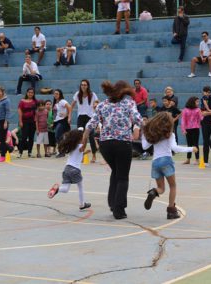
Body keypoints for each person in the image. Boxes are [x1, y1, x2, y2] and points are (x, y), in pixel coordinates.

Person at [82, 80, 143, 219]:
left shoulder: (102, 105)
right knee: (122, 177)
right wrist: (151, 129)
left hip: (105, 145)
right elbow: (138, 119)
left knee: (115, 172)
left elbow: (91, 124)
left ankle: (112, 203)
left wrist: (84, 140)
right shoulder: (129, 103)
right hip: (123, 143)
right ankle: (119, 210)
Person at [142, 112, 197, 219]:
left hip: (155, 162)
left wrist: (144, 131)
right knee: (173, 186)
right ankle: (171, 210)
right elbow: (175, 148)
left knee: (161, 188)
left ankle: (154, 192)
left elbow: (144, 147)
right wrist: (191, 149)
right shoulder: (170, 135)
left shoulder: (153, 135)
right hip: (166, 161)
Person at [48, 129, 92, 210]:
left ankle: (56, 190)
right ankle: (82, 204)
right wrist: (86, 134)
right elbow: (85, 141)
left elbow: (77, 156)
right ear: (79, 139)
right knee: (80, 187)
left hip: (67, 169)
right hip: (75, 170)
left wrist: (85, 153)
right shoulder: (80, 146)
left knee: (65, 189)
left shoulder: (72, 147)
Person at [71, 80, 99, 162]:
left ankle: (94, 156)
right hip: (80, 117)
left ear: (88, 86)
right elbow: (72, 105)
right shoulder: (77, 94)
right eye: (82, 85)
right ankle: (81, 155)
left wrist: (95, 105)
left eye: (85, 85)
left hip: (90, 117)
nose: (83, 86)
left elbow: (98, 102)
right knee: (80, 137)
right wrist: (69, 115)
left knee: (90, 136)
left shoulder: (92, 94)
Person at [181, 96, 203, 165]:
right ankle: (188, 159)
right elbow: (183, 120)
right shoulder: (185, 110)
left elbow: (201, 118)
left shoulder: (198, 110)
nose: (198, 103)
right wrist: (183, 129)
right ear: (192, 102)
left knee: (195, 144)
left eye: (198, 101)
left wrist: (203, 115)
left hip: (195, 129)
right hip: (188, 129)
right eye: (197, 102)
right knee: (189, 145)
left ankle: (197, 159)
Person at [18, 87, 37, 158]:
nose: (30, 94)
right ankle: (20, 153)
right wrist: (20, 121)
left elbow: (38, 111)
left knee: (31, 138)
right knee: (24, 137)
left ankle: (30, 152)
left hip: (33, 122)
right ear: (27, 93)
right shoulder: (22, 101)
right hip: (24, 121)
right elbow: (20, 111)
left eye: (32, 92)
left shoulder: (35, 101)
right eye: (29, 92)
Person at [53, 89, 72, 157]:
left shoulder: (62, 101)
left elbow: (69, 107)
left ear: (60, 94)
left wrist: (68, 116)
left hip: (63, 121)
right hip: (57, 121)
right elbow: (55, 113)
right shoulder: (56, 102)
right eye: (54, 94)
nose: (55, 95)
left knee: (58, 135)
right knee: (60, 137)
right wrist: (53, 121)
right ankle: (62, 151)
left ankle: (62, 151)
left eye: (57, 94)